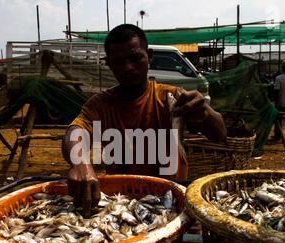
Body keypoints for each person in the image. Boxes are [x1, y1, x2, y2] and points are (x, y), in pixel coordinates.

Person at [62, 24, 227, 217]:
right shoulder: (100, 105)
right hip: (122, 207)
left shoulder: (170, 98)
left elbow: (219, 134)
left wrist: (206, 113)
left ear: (149, 56)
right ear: (108, 63)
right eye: (119, 61)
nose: (128, 67)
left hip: (171, 202)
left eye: (135, 58)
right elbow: (75, 132)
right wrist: (80, 162)